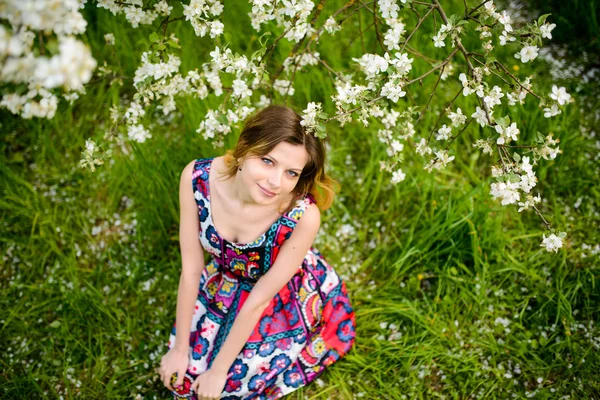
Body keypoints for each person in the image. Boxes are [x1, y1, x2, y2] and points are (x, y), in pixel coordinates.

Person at [158, 105, 356, 399]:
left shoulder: (302, 215)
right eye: (267, 161)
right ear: (244, 150)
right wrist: (179, 348)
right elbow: (191, 270)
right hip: (222, 280)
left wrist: (219, 371)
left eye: (291, 173)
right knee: (184, 378)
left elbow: (260, 298)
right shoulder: (197, 179)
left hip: (279, 296)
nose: (276, 182)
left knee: (229, 388)